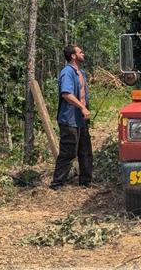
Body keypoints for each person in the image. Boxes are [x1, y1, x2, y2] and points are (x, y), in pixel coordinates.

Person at [50, 45, 93, 189]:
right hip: (69, 119)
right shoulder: (67, 72)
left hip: (81, 119)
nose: (83, 53)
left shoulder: (81, 73)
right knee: (68, 152)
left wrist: (85, 111)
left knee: (85, 151)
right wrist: (82, 108)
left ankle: (86, 182)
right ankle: (57, 184)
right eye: (80, 52)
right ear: (73, 56)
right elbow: (66, 94)